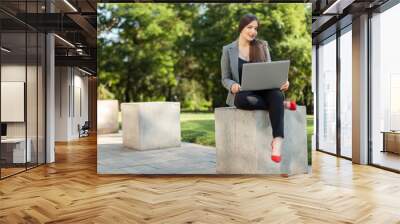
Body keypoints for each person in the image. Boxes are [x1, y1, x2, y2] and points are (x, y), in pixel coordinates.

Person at [220, 13, 296, 163]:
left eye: (255, 28)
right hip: (243, 93)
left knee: (277, 95)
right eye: (249, 27)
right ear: (241, 28)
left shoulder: (262, 45)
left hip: (265, 91)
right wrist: (232, 85)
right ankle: (279, 106)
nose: (253, 31)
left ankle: (277, 140)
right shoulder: (228, 50)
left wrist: (283, 81)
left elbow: (271, 70)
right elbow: (225, 78)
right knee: (242, 99)